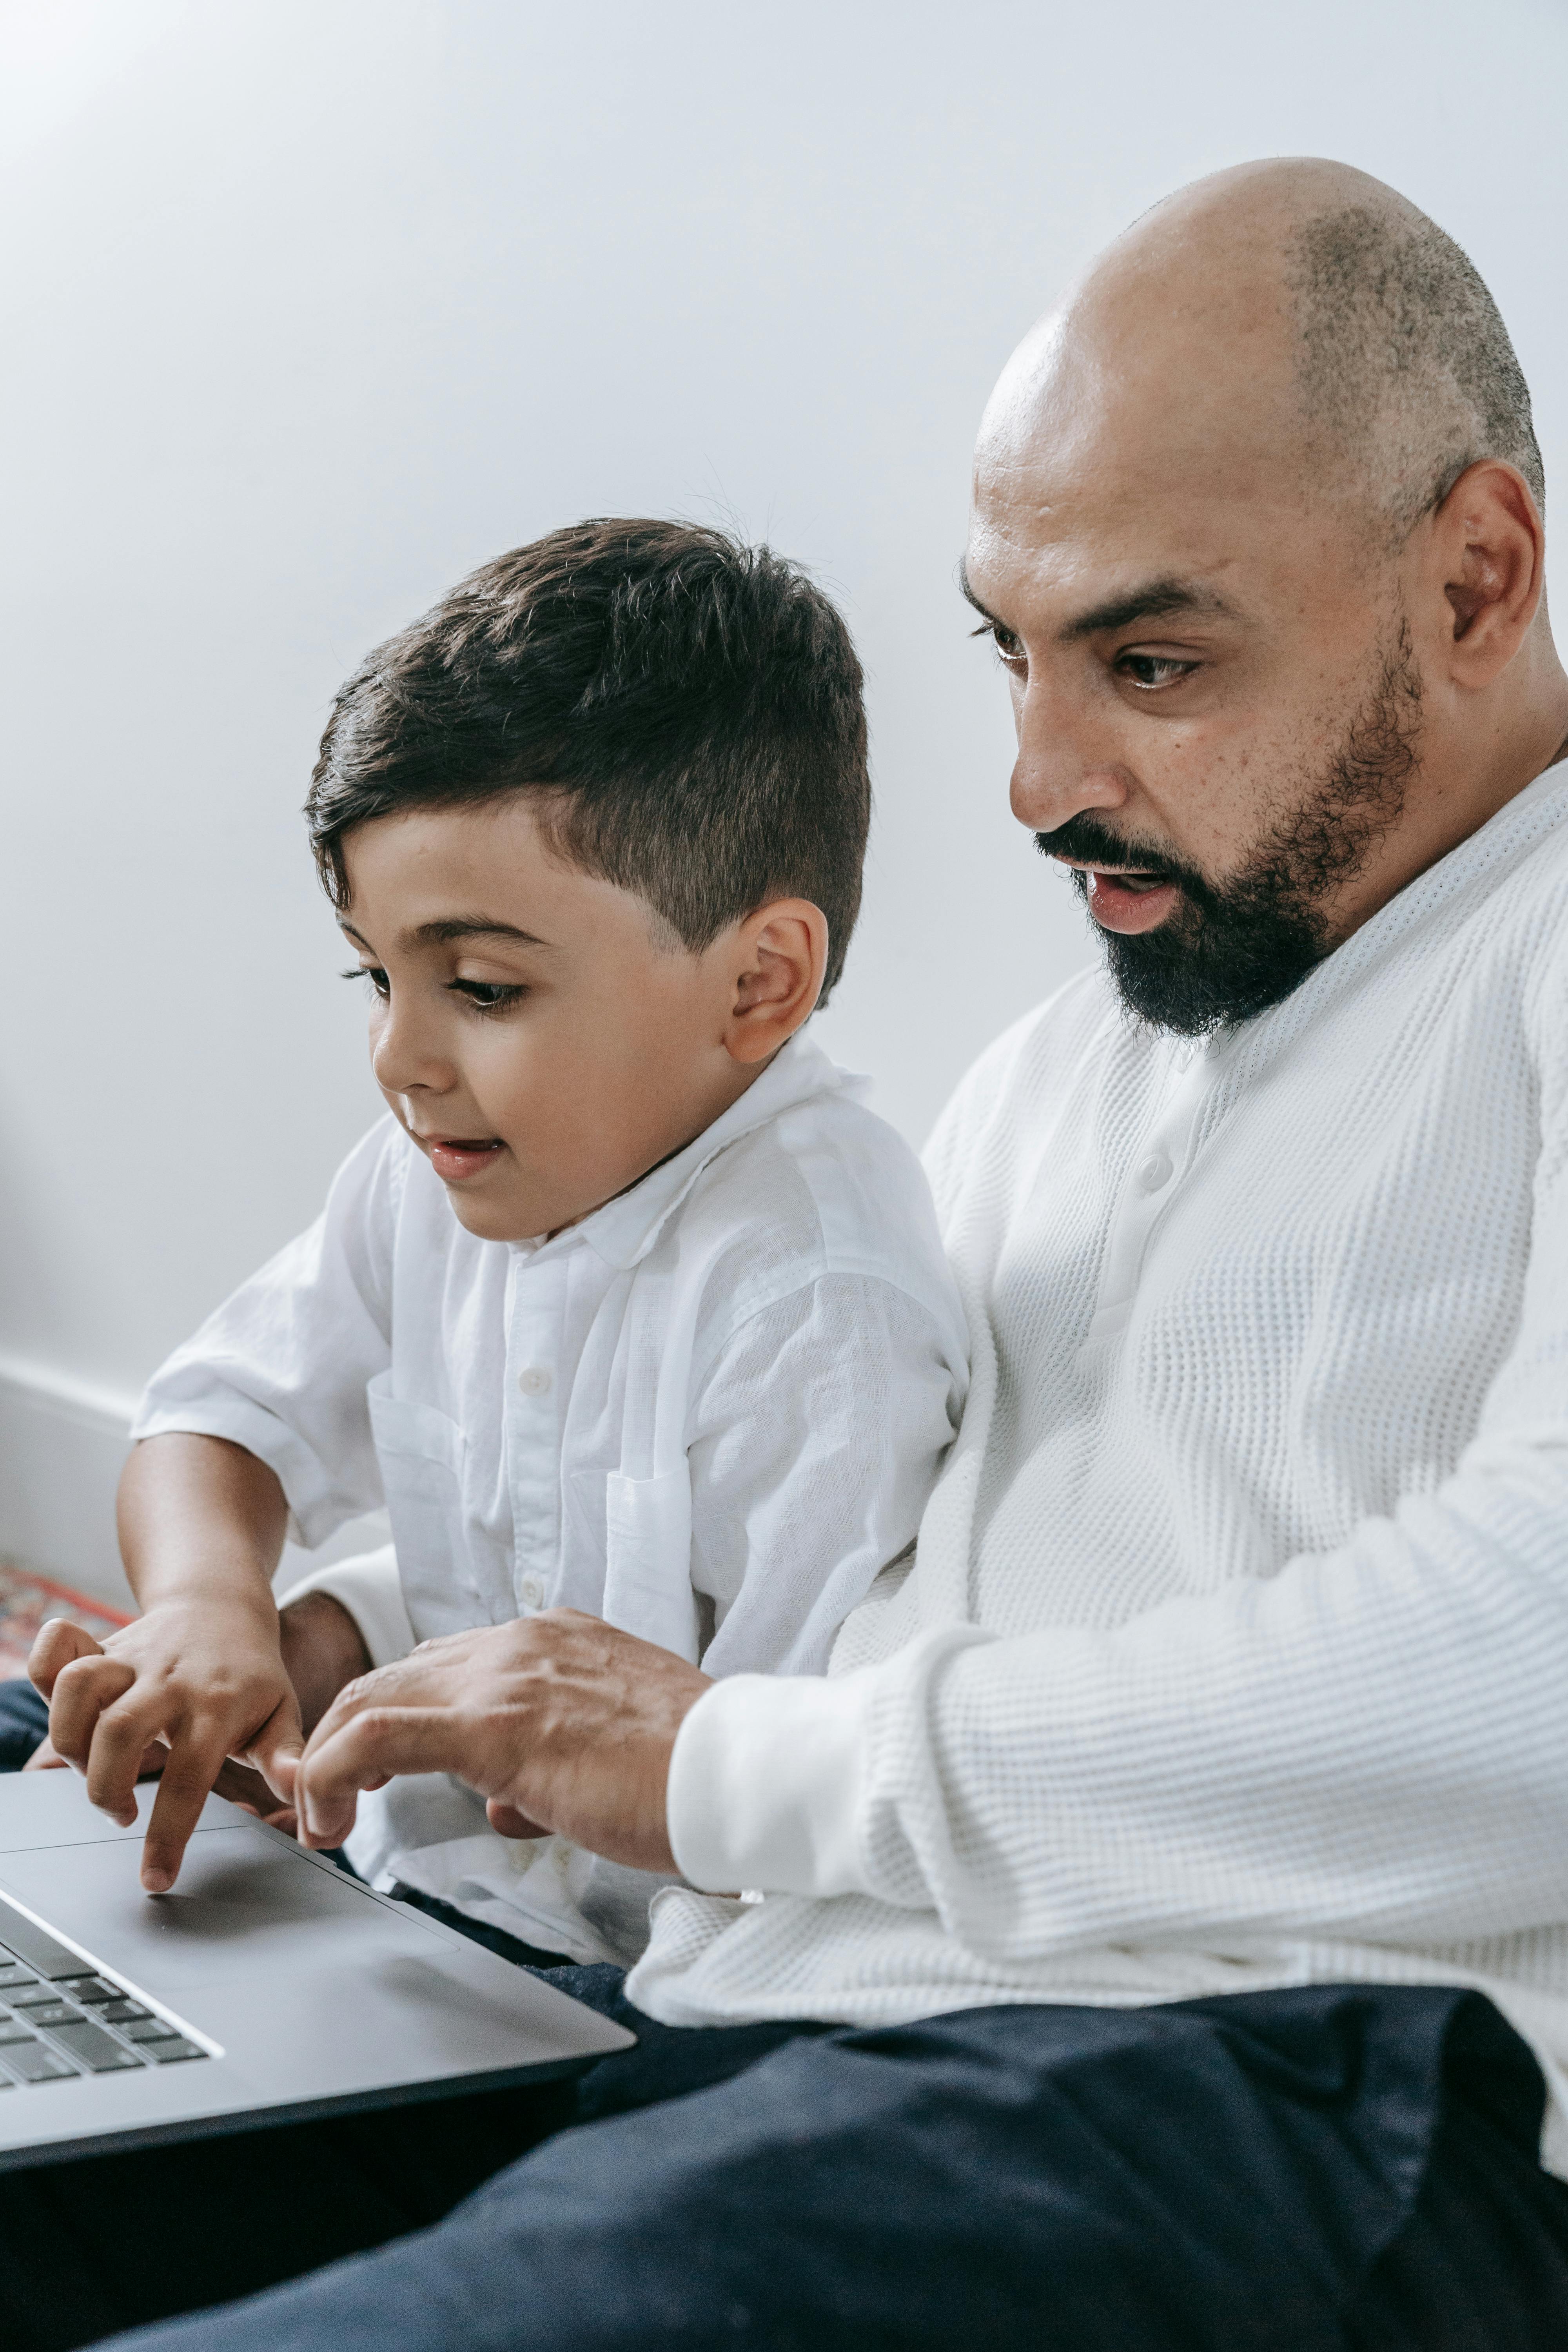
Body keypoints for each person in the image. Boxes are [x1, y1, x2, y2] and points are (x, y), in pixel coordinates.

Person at [7, 153, 1568, 2348]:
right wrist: (345, 1630)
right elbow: (847, 1591)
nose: (1033, 779)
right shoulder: (1063, 1066)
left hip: (1270, 2086)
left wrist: (727, 1764)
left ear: (1476, 575)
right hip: (737, 2019)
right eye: (1009, 653)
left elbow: (1535, 1662)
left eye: (1148, 655)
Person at [18, 520, 968, 1967]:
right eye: (376, 976)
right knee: (65, 1723)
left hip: (611, 1982)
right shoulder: (441, 1175)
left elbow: (794, 1802)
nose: (402, 1056)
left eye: (481, 987)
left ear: (761, 982)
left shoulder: (816, 1301)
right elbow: (217, 1418)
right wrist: (224, 1618)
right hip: (389, 1866)